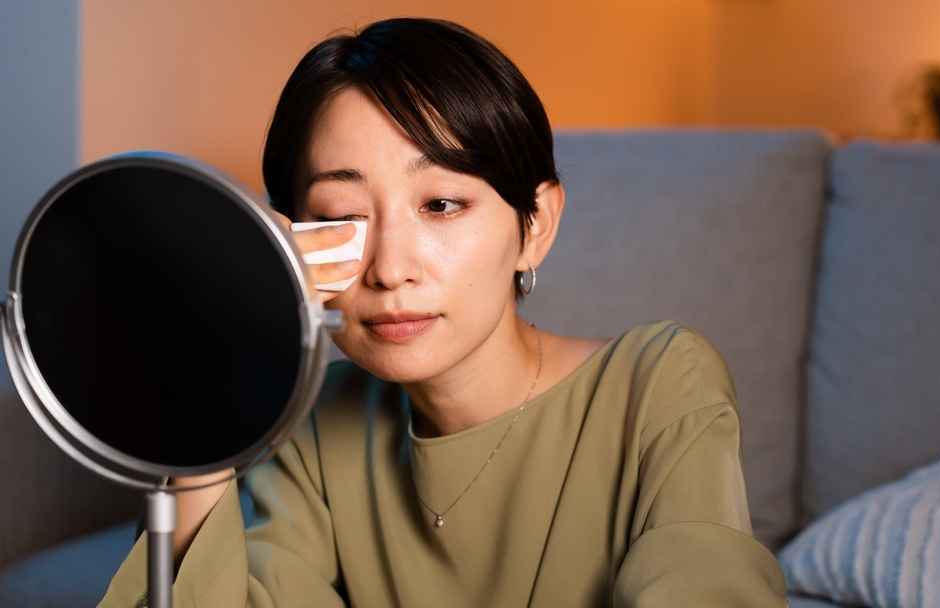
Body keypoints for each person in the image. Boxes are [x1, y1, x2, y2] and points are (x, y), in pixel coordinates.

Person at [100, 16, 787, 607]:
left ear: (536, 223)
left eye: (441, 205)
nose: (392, 268)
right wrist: (219, 360)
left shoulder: (656, 383)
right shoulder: (308, 427)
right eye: (341, 216)